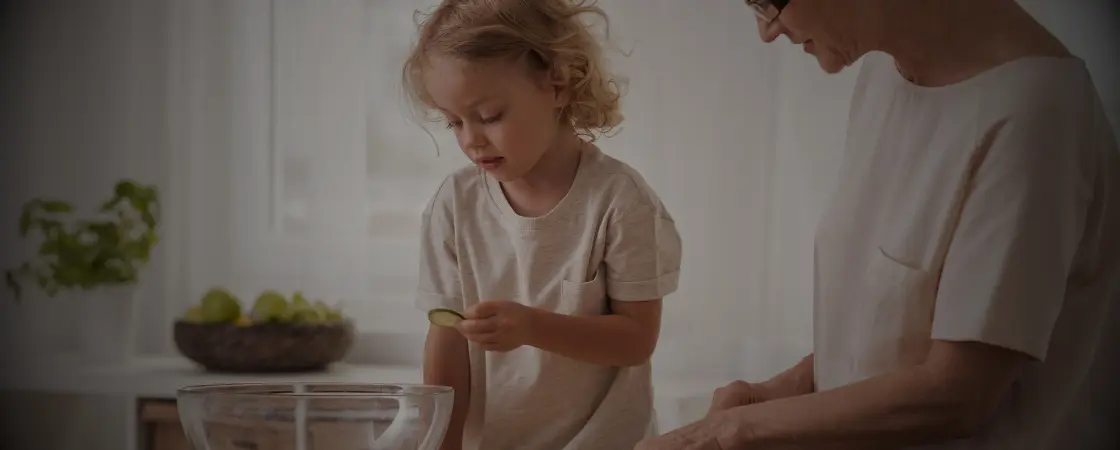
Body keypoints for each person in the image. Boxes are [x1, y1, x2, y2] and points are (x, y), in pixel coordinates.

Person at [638, 0, 1119, 449]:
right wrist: (784, 390)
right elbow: (889, 335)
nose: (767, 30)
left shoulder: (1035, 115)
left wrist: (732, 431)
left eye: (768, 1)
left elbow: (958, 393)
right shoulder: (884, 74)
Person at [402, 1, 683, 449]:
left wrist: (532, 327)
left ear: (558, 83)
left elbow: (636, 340)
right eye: (454, 122)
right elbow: (447, 341)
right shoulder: (454, 204)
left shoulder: (621, 201)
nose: (471, 140)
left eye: (490, 115)